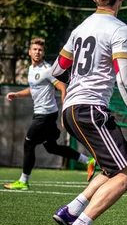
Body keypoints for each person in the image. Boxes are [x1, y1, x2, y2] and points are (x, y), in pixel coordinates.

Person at [50, 0, 127, 225]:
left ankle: (71, 211)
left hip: (72, 109)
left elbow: (57, 70)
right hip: (90, 108)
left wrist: (69, 96)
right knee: (126, 173)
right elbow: (123, 78)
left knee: (112, 167)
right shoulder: (120, 29)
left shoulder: (80, 28)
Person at [4, 38, 95, 190]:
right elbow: (33, 88)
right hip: (42, 114)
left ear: (43, 52)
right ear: (29, 52)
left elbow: (63, 88)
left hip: (45, 115)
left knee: (28, 144)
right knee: (51, 147)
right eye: (34, 49)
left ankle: (23, 181)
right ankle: (88, 161)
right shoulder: (31, 69)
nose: (37, 52)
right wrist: (17, 94)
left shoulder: (48, 69)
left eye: (40, 50)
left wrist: (65, 112)